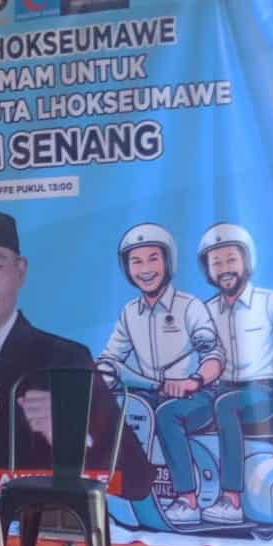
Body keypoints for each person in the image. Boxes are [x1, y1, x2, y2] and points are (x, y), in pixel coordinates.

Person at [0, 210, 152, 501]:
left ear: (20, 271)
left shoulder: (66, 360)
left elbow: (137, 480)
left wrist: (73, 437)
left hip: (37, 524)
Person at [99, 223, 226, 527]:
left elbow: (214, 355)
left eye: (153, 259)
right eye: (136, 261)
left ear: (168, 262)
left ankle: (188, 499)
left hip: (197, 397)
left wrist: (193, 381)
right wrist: (100, 372)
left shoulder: (189, 307)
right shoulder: (130, 312)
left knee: (168, 415)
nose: (145, 269)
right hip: (150, 393)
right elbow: (111, 356)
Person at [168, 223, 273, 527]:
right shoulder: (206, 310)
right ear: (207, 270)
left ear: (246, 261)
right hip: (218, 389)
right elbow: (188, 350)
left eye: (231, 260)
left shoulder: (269, 301)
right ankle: (187, 499)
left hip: (262, 391)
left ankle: (231, 499)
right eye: (216, 263)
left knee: (226, 405)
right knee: (168, 413)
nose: (224, 269)